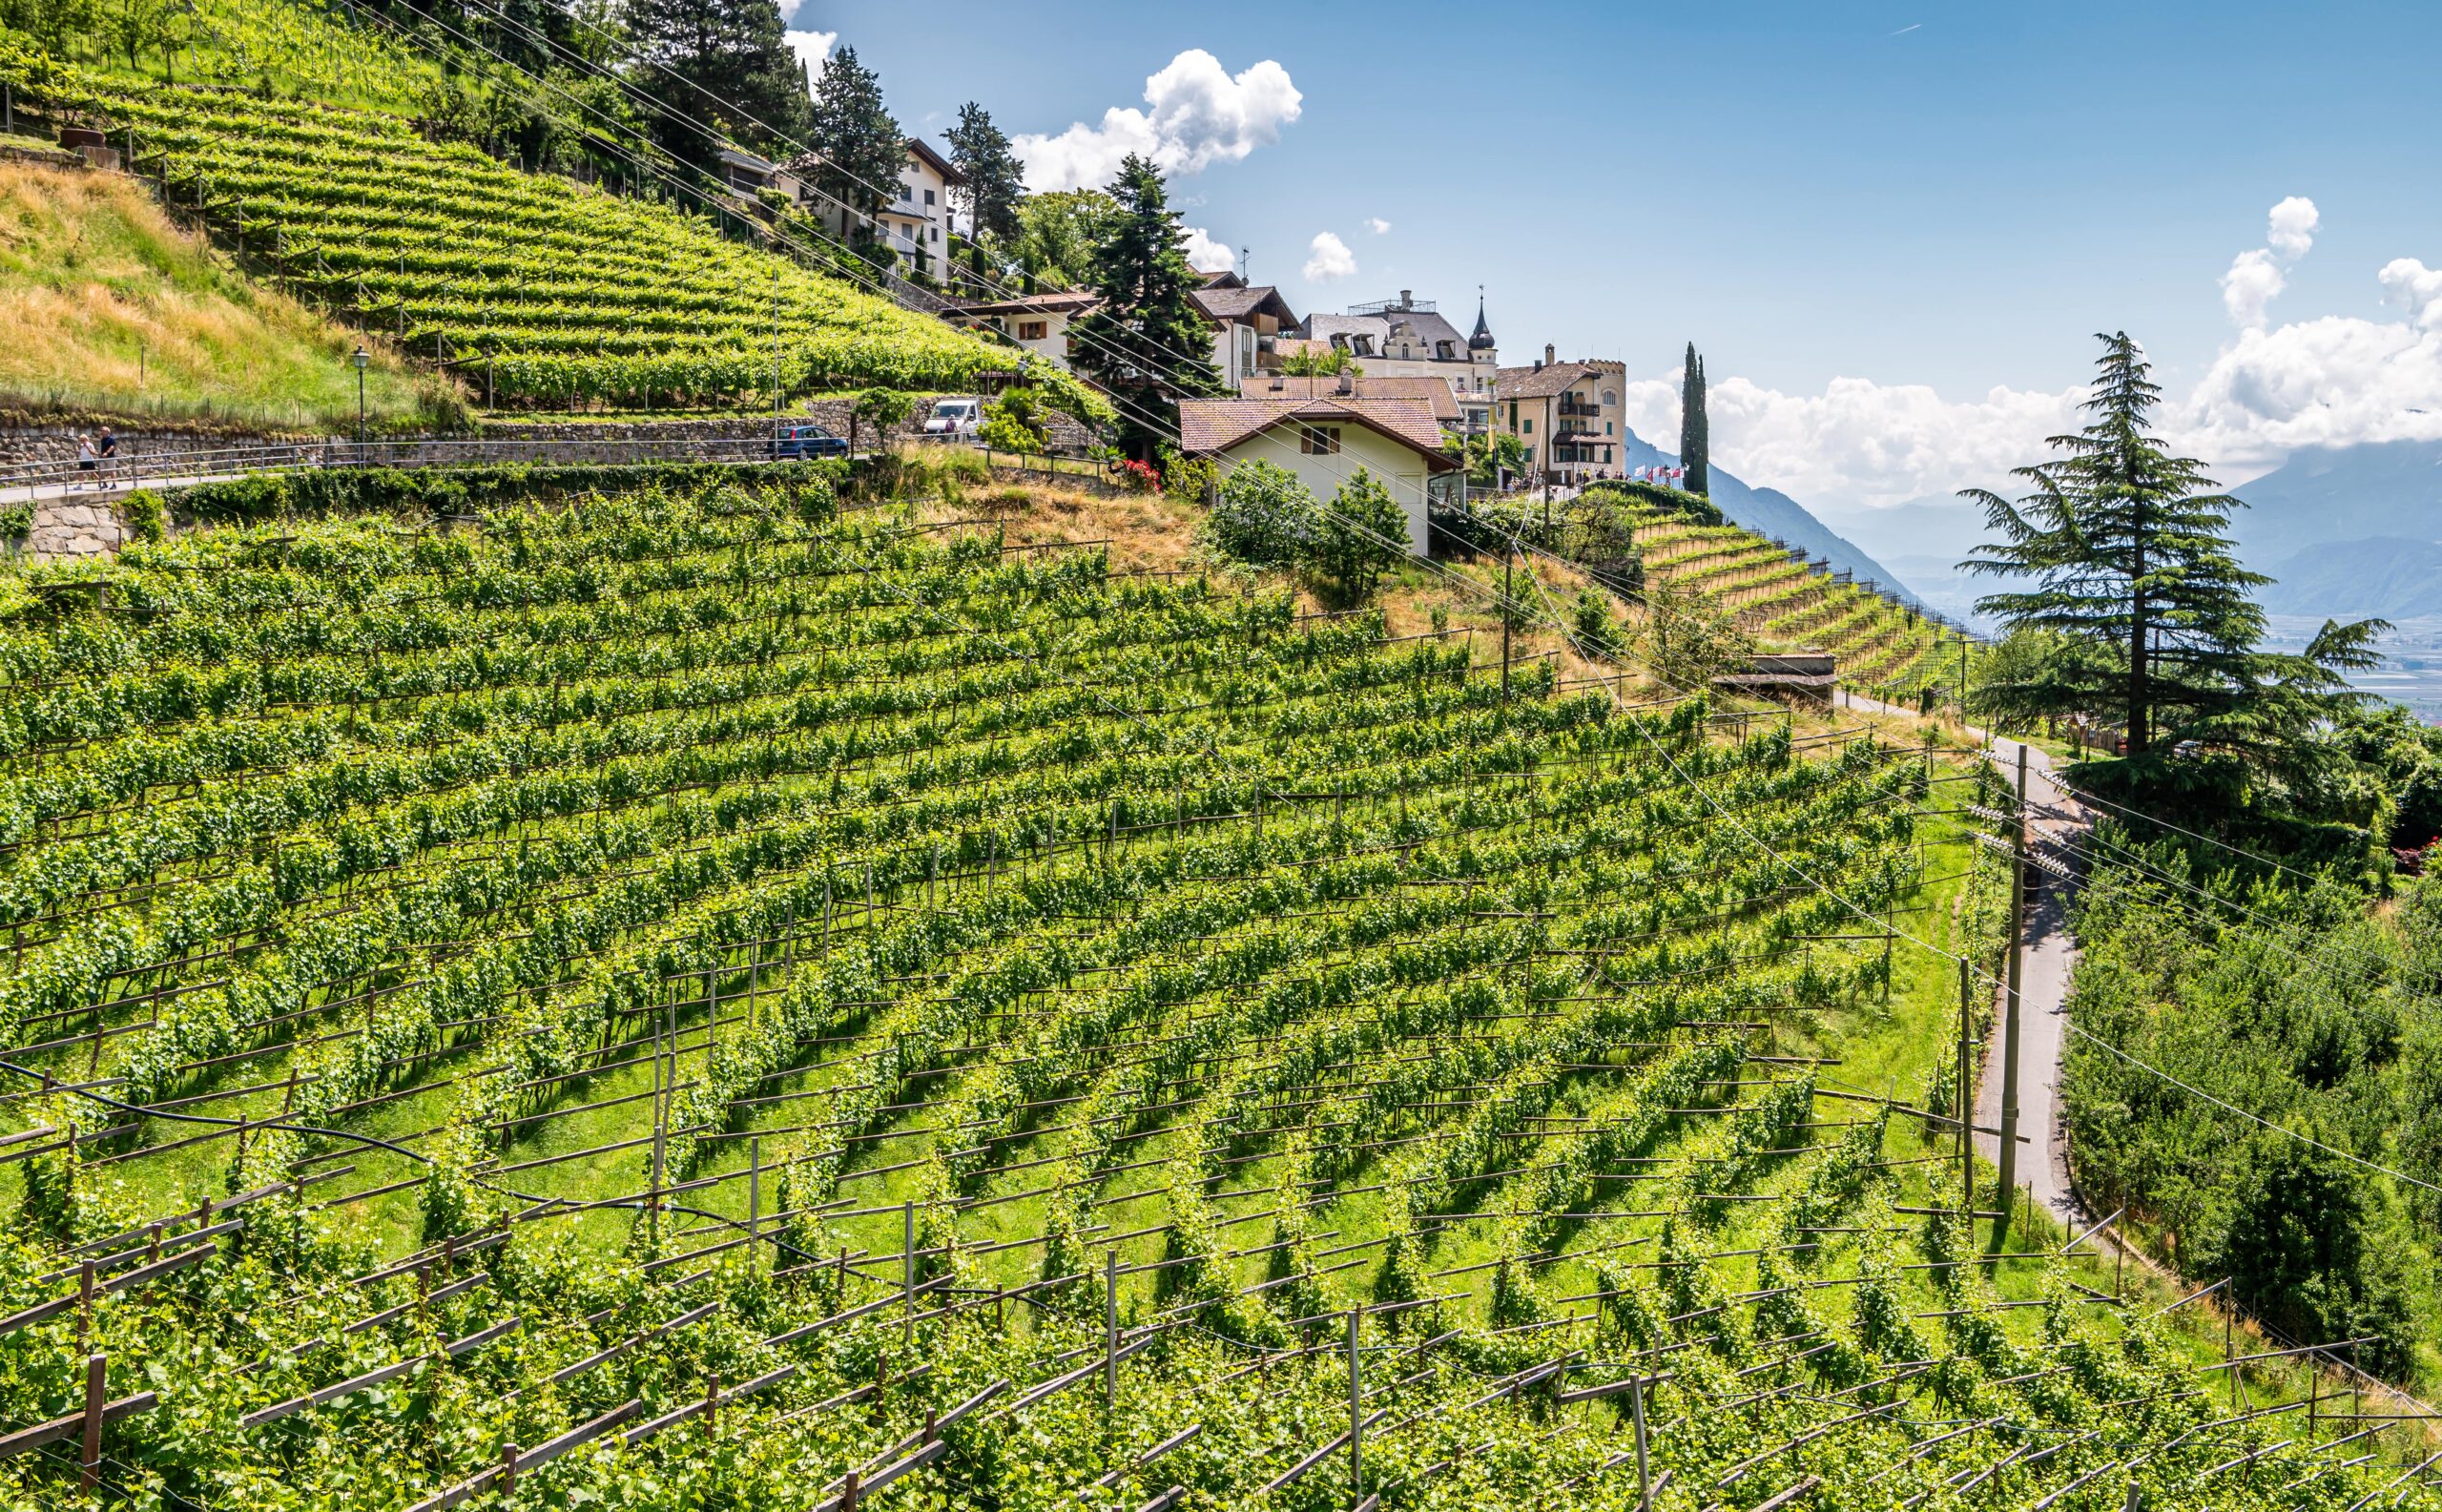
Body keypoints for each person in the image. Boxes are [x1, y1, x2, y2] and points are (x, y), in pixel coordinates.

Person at [95, 426, 117, 491]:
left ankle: (114, 484)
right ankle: (104, 483)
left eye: (103, 430)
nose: (101, 431)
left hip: (110, 457)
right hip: (102, 457)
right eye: (101, 430)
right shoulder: (102, 439)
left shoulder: (111, 439)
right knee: (101, 470)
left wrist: (107, 453)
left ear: (107, 431)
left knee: (111, 471)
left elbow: (112, 447)